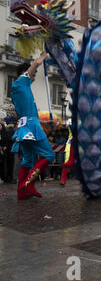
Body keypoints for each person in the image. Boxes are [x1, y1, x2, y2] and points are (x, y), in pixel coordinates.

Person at [11, 53, 55, 200]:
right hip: (30, 126)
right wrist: (44, 55)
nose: (35, 75)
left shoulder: (23, 88)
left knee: (28, 161)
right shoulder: (21, 82)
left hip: (26, 126)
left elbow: (28, 113)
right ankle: (28, 184)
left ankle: (21, 192)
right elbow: (36, 63)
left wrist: (44, 123)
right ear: (25, 73)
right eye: (33, 73)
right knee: (49, 155)